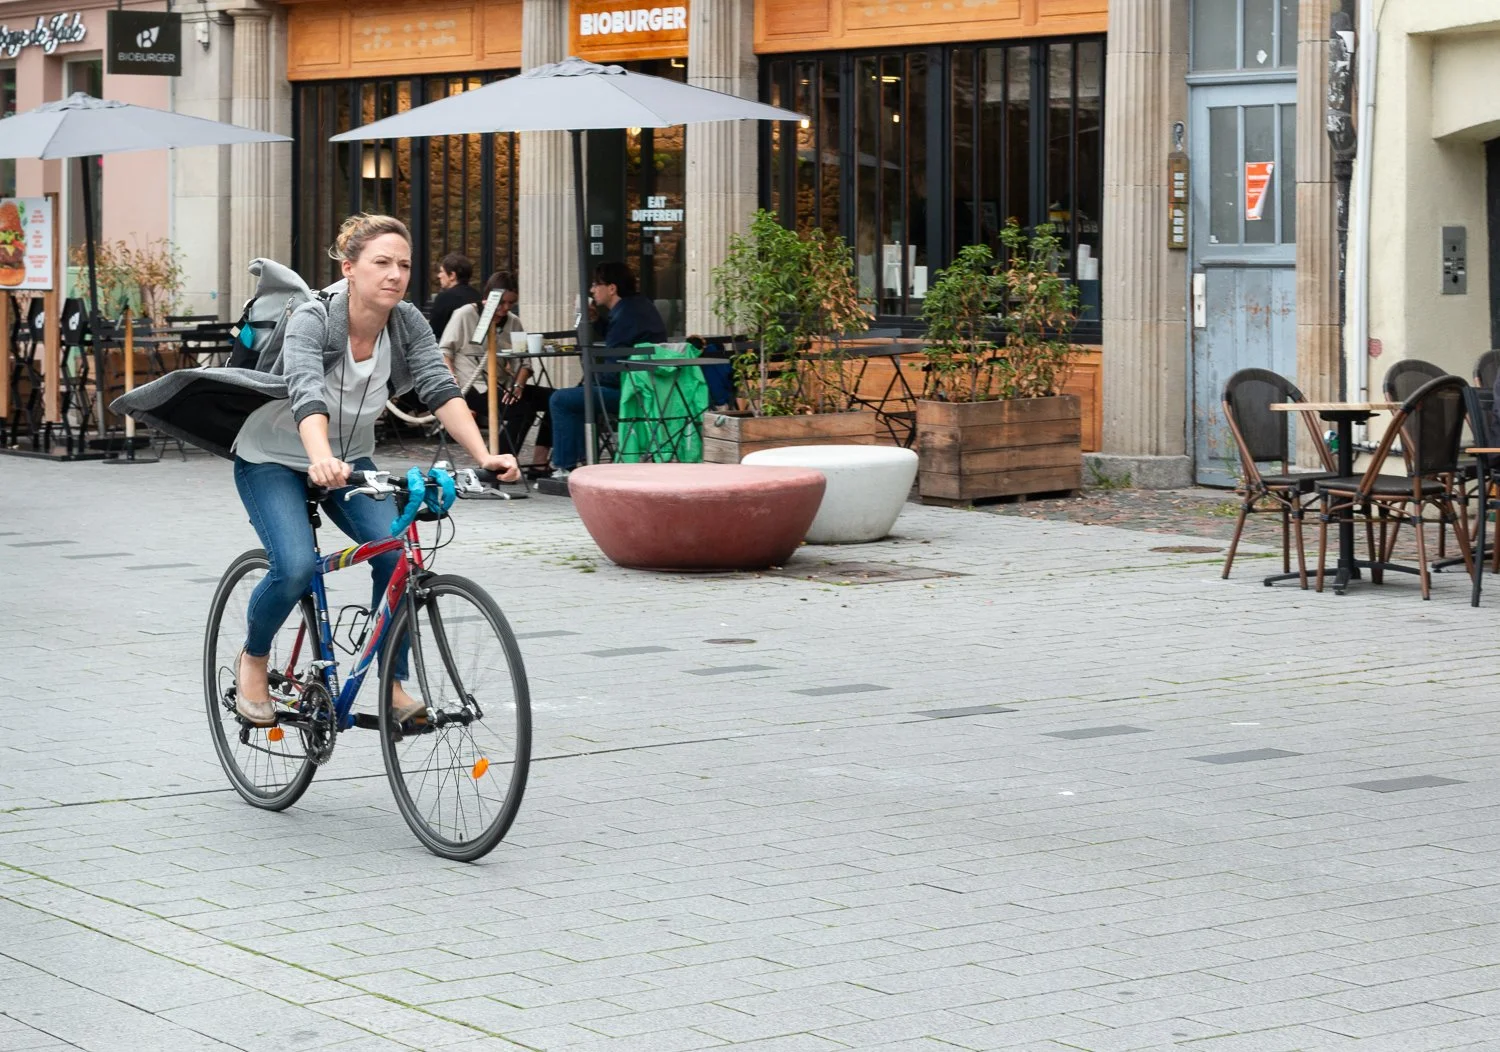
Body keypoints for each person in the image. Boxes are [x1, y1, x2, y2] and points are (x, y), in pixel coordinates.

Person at [230, 214, 520, 727]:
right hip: (273, 455)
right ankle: (253, 658)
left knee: (395, 554)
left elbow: (439, 387)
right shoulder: (314, 318)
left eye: (404, 265)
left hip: (350, 464)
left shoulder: (406, 322)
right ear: (349, 268)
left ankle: (392, 682)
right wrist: (319, 456)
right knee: (294, 566)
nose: (395, 274)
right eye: (382, 262)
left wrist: (484, 455)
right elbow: (305, 391)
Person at [548, 261, 666, 476]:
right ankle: (579, 461)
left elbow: (614, 371)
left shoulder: (625, 315)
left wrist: (592, 378)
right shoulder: (638, 307)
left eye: (596, 284)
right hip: (651, 387)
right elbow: (622, 341)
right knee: (574, 396)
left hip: (631, 392)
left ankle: (566, 467)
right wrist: (597, 321)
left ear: (612, 288)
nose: (592, 290)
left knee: (560, 399)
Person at [439, 271, 555, 476]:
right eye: (501, 302)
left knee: (555, 399)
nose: (506, 308)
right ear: (489, 298)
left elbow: (525, 361)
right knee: (522, 410)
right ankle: (498, 463)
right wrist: (451, 380)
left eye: (511, 303)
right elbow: (445, 351)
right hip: (472, 384)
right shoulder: (465, 314)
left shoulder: (513, 321)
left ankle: (540, 461)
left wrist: (518, 385)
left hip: (503, 383)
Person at [426, 252, 481, 340]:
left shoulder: (444, 298)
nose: (439, 275)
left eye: (441, 271)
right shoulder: (477, 296)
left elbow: (433, 332)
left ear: (452, 275)